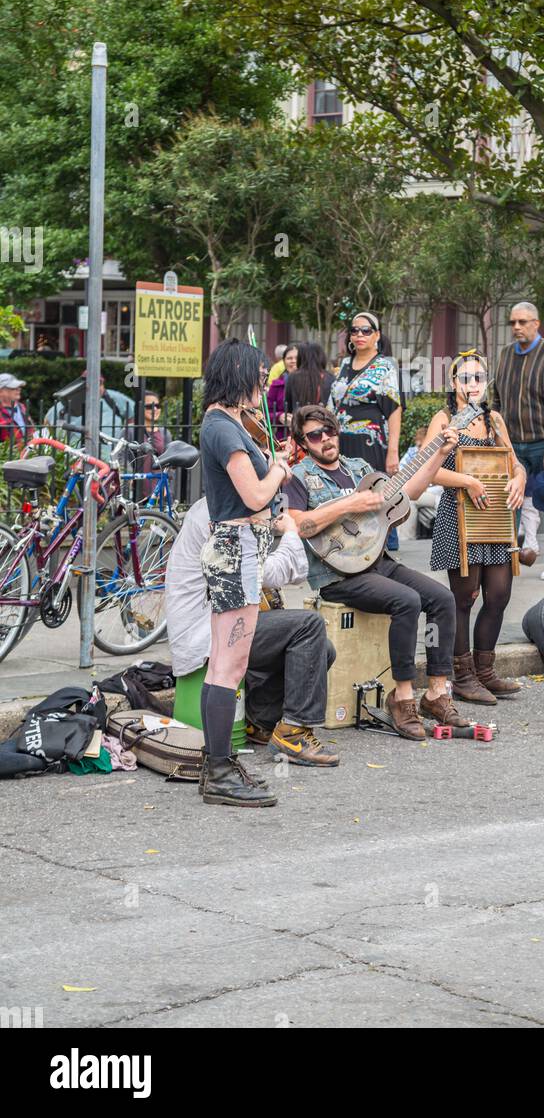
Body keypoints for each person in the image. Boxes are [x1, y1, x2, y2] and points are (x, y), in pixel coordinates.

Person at [284, 404, 464, 740]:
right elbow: (297, 524)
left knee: (442, 598)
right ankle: (403, 697)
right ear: (302, 441)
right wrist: (349, 504)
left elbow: (409, 494)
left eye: (329, 431)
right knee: (407, 601)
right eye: (314, 435)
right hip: (338, 576)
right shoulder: (298, 476)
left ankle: (437, 693)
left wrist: (439, 454)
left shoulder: (360, 469)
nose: (325, 439)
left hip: (379, 563)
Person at [166, 496, 339, 767]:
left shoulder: (218, 506)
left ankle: (260, 721)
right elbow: (269, 573)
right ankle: (294, 734)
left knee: (321, 649)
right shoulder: (222, 514)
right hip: (204, 634)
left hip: (216, 624)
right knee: (309, 625)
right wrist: (292, 534)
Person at [197, 338, 293, 807]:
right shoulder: (223, 428)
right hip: (237, 549)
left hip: (237, 547)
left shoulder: (228, 423)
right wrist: (277, 469)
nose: (263, 384)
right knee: (229, 666)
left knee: (223, 663)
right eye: (257, 376)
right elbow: (255, 495)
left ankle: (217, 763)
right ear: (237, 375)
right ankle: (218, 771)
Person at [423, 352, 525, 704]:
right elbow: (426, 470)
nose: (473, 384)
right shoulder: (445, 419)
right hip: (459, 517)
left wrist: (519, 480)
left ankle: (485, 672)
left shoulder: (494, 420)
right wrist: (467, 480)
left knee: (498, 595)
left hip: (494, 518)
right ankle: (463, 676)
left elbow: (515, 465)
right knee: (464, 598)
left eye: (479, 378)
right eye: (465, 378)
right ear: (454, 384)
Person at [492, 301, 544, 581]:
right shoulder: (503, 355)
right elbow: (496, 402)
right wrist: (496, 440)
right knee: (510, 499)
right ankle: (509, 557)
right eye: (513, 322)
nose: (516, 327)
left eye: (523, 322)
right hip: (514, 445)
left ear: (536, 324)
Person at [327, 313, 402, 477]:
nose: (359, 335)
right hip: (341, 441)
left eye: (366, 330)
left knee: (370, 491)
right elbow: (332, 403)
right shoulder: (345, 363)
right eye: (354, 331)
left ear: (377, 335)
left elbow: (394, 410)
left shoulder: (385, 367)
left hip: (370, 442)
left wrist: (393, 451)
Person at [44, 372, 135, 460]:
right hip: (76, 456)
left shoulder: (113, 398)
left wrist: (125, 433)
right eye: (90, 383)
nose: (96, 387)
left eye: (99, 383)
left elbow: (134, 414)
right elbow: (47, 421)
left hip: (109, 457)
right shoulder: (70, 401)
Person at [399, 426, 441, 537]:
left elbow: (440, 486)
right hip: (420, 493)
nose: (419, 449)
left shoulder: (439, 453)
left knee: (408, 500)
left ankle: (406, 540)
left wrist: (422, 486)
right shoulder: (412, 452)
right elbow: (400, 472)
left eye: (422, 445)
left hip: (435, 495)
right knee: (406, 499)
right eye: (417, 445)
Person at [283, 342, 334, 421]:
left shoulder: (293, 377)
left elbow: (287, 405)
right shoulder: (330, 377)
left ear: (301, 357)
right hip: (324, 421)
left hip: (300, 422)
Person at [266, 343, 301, 442]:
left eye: (296, 358)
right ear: (284, 361)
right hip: (283, 438)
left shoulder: (310, 384)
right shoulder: (277, 384)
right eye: (289, 358)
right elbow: (266, 414)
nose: (293, 361)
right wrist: (279, 416)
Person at [0, 373, 34, 450]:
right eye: (13, 387)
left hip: (29, 452)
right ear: (1, 391)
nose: (18, 389)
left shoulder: (22, 407)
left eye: (18, 387)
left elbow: (31, 429)